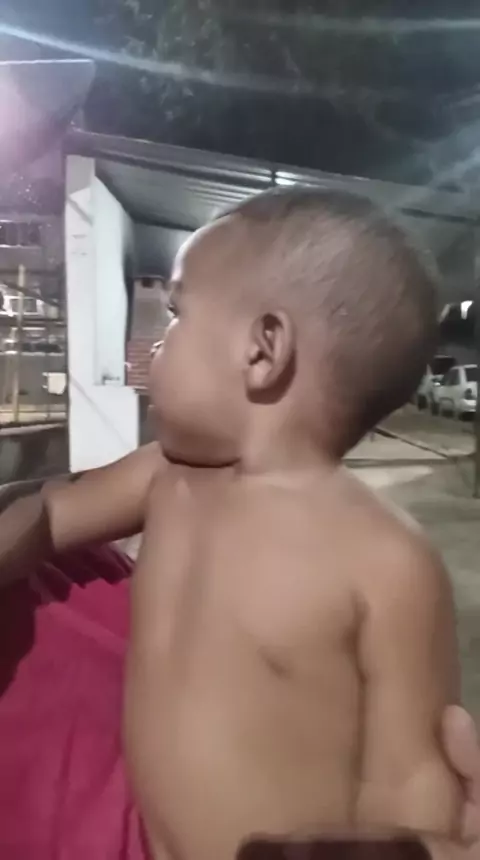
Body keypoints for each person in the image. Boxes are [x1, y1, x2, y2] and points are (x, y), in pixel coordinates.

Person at [0, 187, 479, 860]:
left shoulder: (386, 562)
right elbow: (50, 514)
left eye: (176, 315)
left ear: (263, 349)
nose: (156, 345)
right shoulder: (166, 475)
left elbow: (408, 779)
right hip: (134, 836)